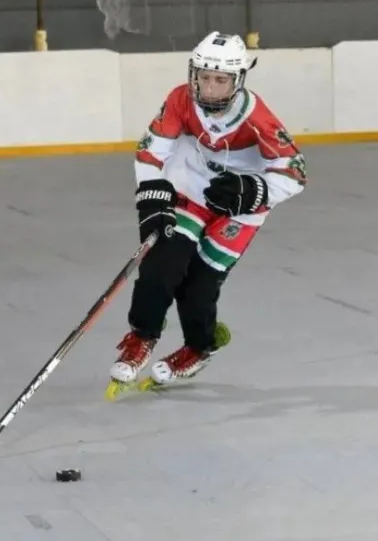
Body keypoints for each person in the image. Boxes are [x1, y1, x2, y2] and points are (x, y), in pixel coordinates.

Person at [105, 31, 308, 397]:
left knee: (198, 290)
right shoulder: (180, 99)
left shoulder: (257, 118)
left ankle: (199, 347)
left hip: (237, 211)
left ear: (238, 80)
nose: (209, 88)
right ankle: (142, 336)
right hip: (190, 193)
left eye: (220, 80)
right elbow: (151, 153)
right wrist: (152, 201)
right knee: (161, 266)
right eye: (203, 76)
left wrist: (255, 190)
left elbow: (296, 172)